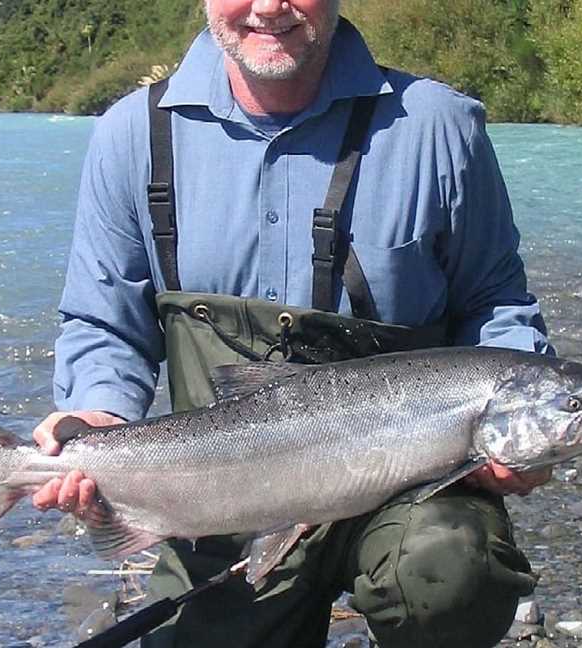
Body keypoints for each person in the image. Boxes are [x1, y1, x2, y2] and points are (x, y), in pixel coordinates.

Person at [32, 1, 554, 646]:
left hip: (408, 492)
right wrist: (97, 415)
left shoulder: (440, 127)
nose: (271, 6)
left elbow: (495, 302)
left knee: (452, 572)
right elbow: (104, 322)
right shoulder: (132, 135)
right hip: (225, 496)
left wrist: (524, 423)